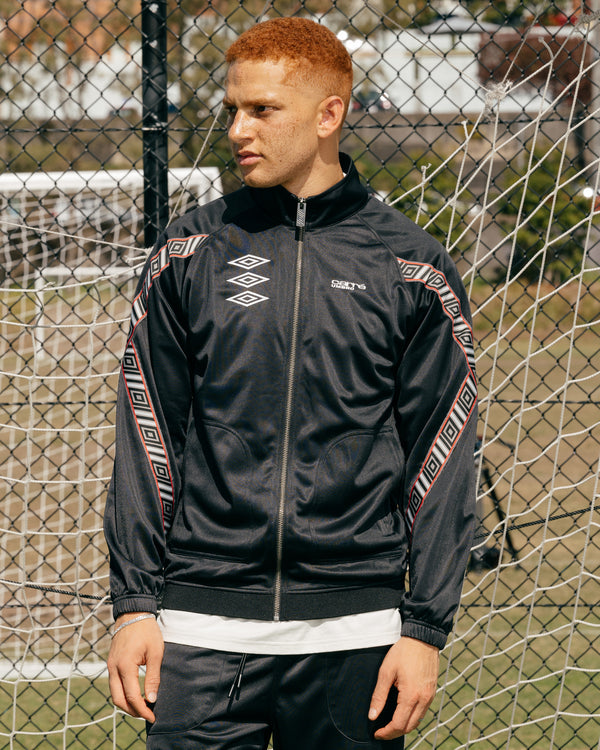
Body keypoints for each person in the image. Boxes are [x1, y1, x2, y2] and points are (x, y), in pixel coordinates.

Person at [104, 16, 477, 750]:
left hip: (357, 635)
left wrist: (425, 627)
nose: (238, 129)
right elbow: (147, 432)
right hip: (200, 631)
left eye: (263, 109)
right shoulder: (190, 251)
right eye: (233, 109)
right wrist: (136, 604)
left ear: (329, 113)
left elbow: (443, 452)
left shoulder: (411, 266)